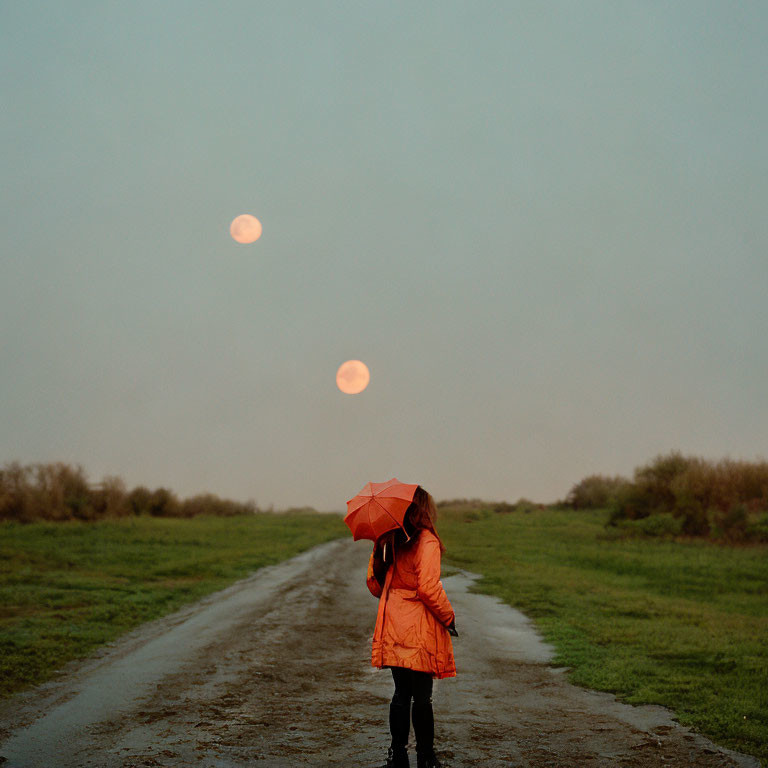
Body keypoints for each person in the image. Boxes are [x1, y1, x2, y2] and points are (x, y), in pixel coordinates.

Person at [366, 486, 458, 768]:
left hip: (394, 624)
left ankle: (397, 756)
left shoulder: (389, 540)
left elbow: (374, 585)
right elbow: (429, 588)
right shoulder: (427, 541)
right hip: (418, 628)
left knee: (400, 693)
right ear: (424, 510)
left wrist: (382, 561)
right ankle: (426, 758)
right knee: (423, 696)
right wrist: (449, 617)